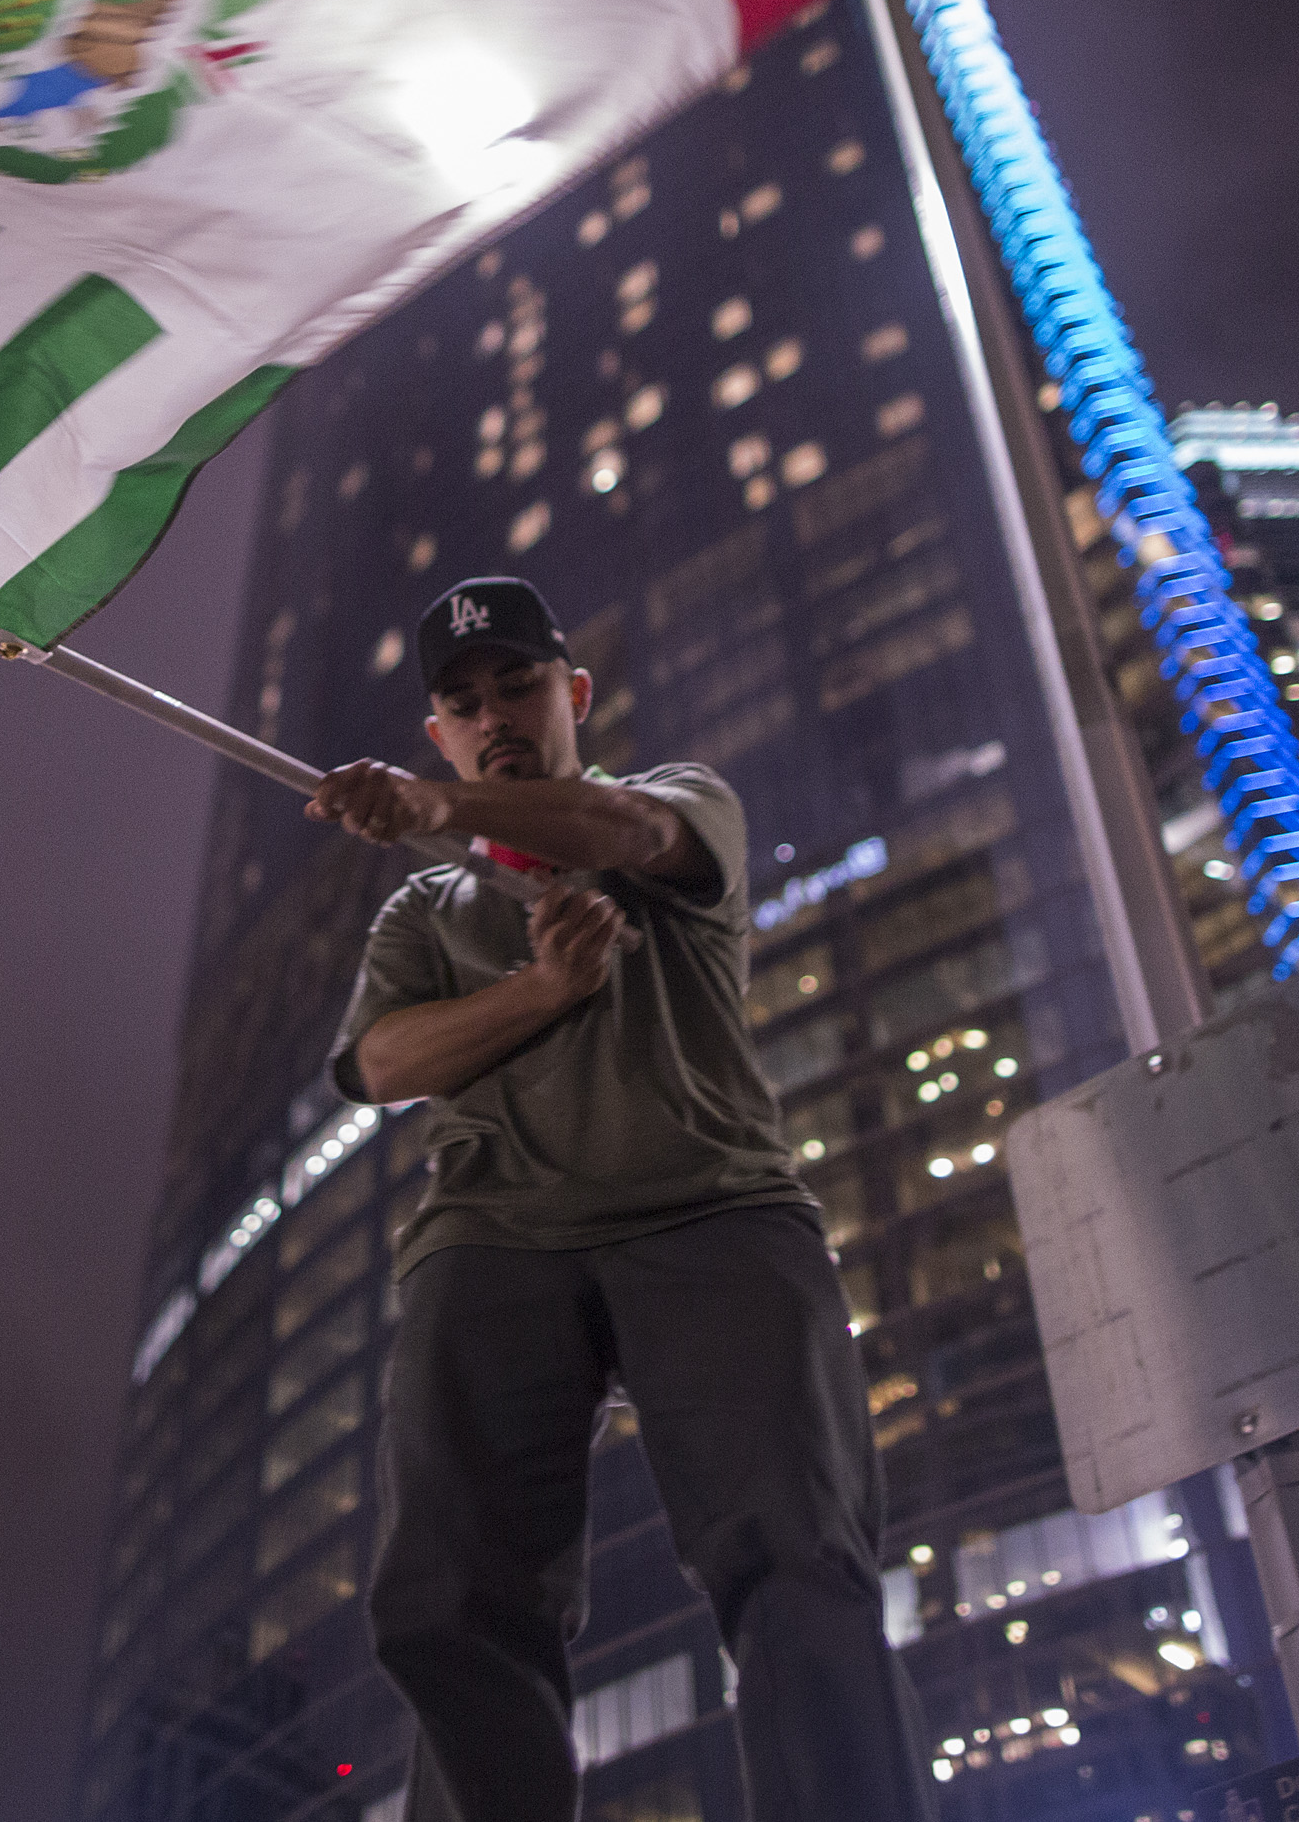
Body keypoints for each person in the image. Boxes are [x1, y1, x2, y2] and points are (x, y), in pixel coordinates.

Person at [305, 575, 934, 1822]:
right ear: (436, 724)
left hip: (711, 1207)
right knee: (448, 1597)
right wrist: (539, 992)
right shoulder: (423, 909)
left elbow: (633, 838)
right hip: (492, 1238)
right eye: (461, 703)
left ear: (571, 693)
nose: (492, 713)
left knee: (796, 1551)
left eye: (517, 685)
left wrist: (443, 804)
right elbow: (380, 1065)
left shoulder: (677, 806)